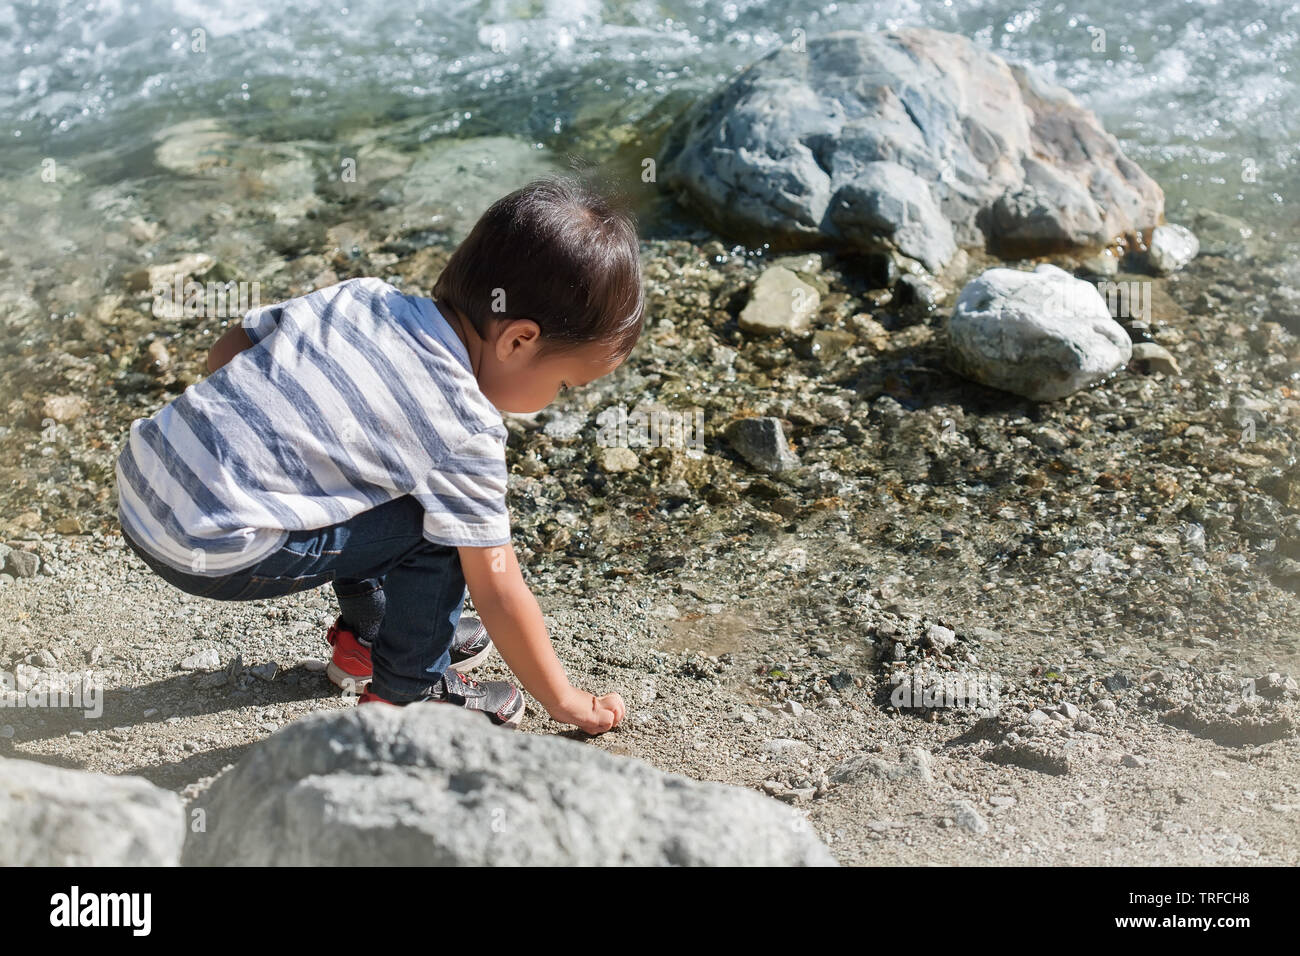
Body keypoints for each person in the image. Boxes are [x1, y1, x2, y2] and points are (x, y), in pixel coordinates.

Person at [115, 175, 643, 734]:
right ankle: (409, 695)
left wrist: (279, 443)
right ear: (517, 340)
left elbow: (229, 349)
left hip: (142, 484)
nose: (555, 398)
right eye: (564, 384)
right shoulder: (464, 425)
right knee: (439, 529)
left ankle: (366, 641)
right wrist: (568, 702)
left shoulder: (361, 296)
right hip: (209, 545)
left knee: (369, 476)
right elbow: (497, 586)